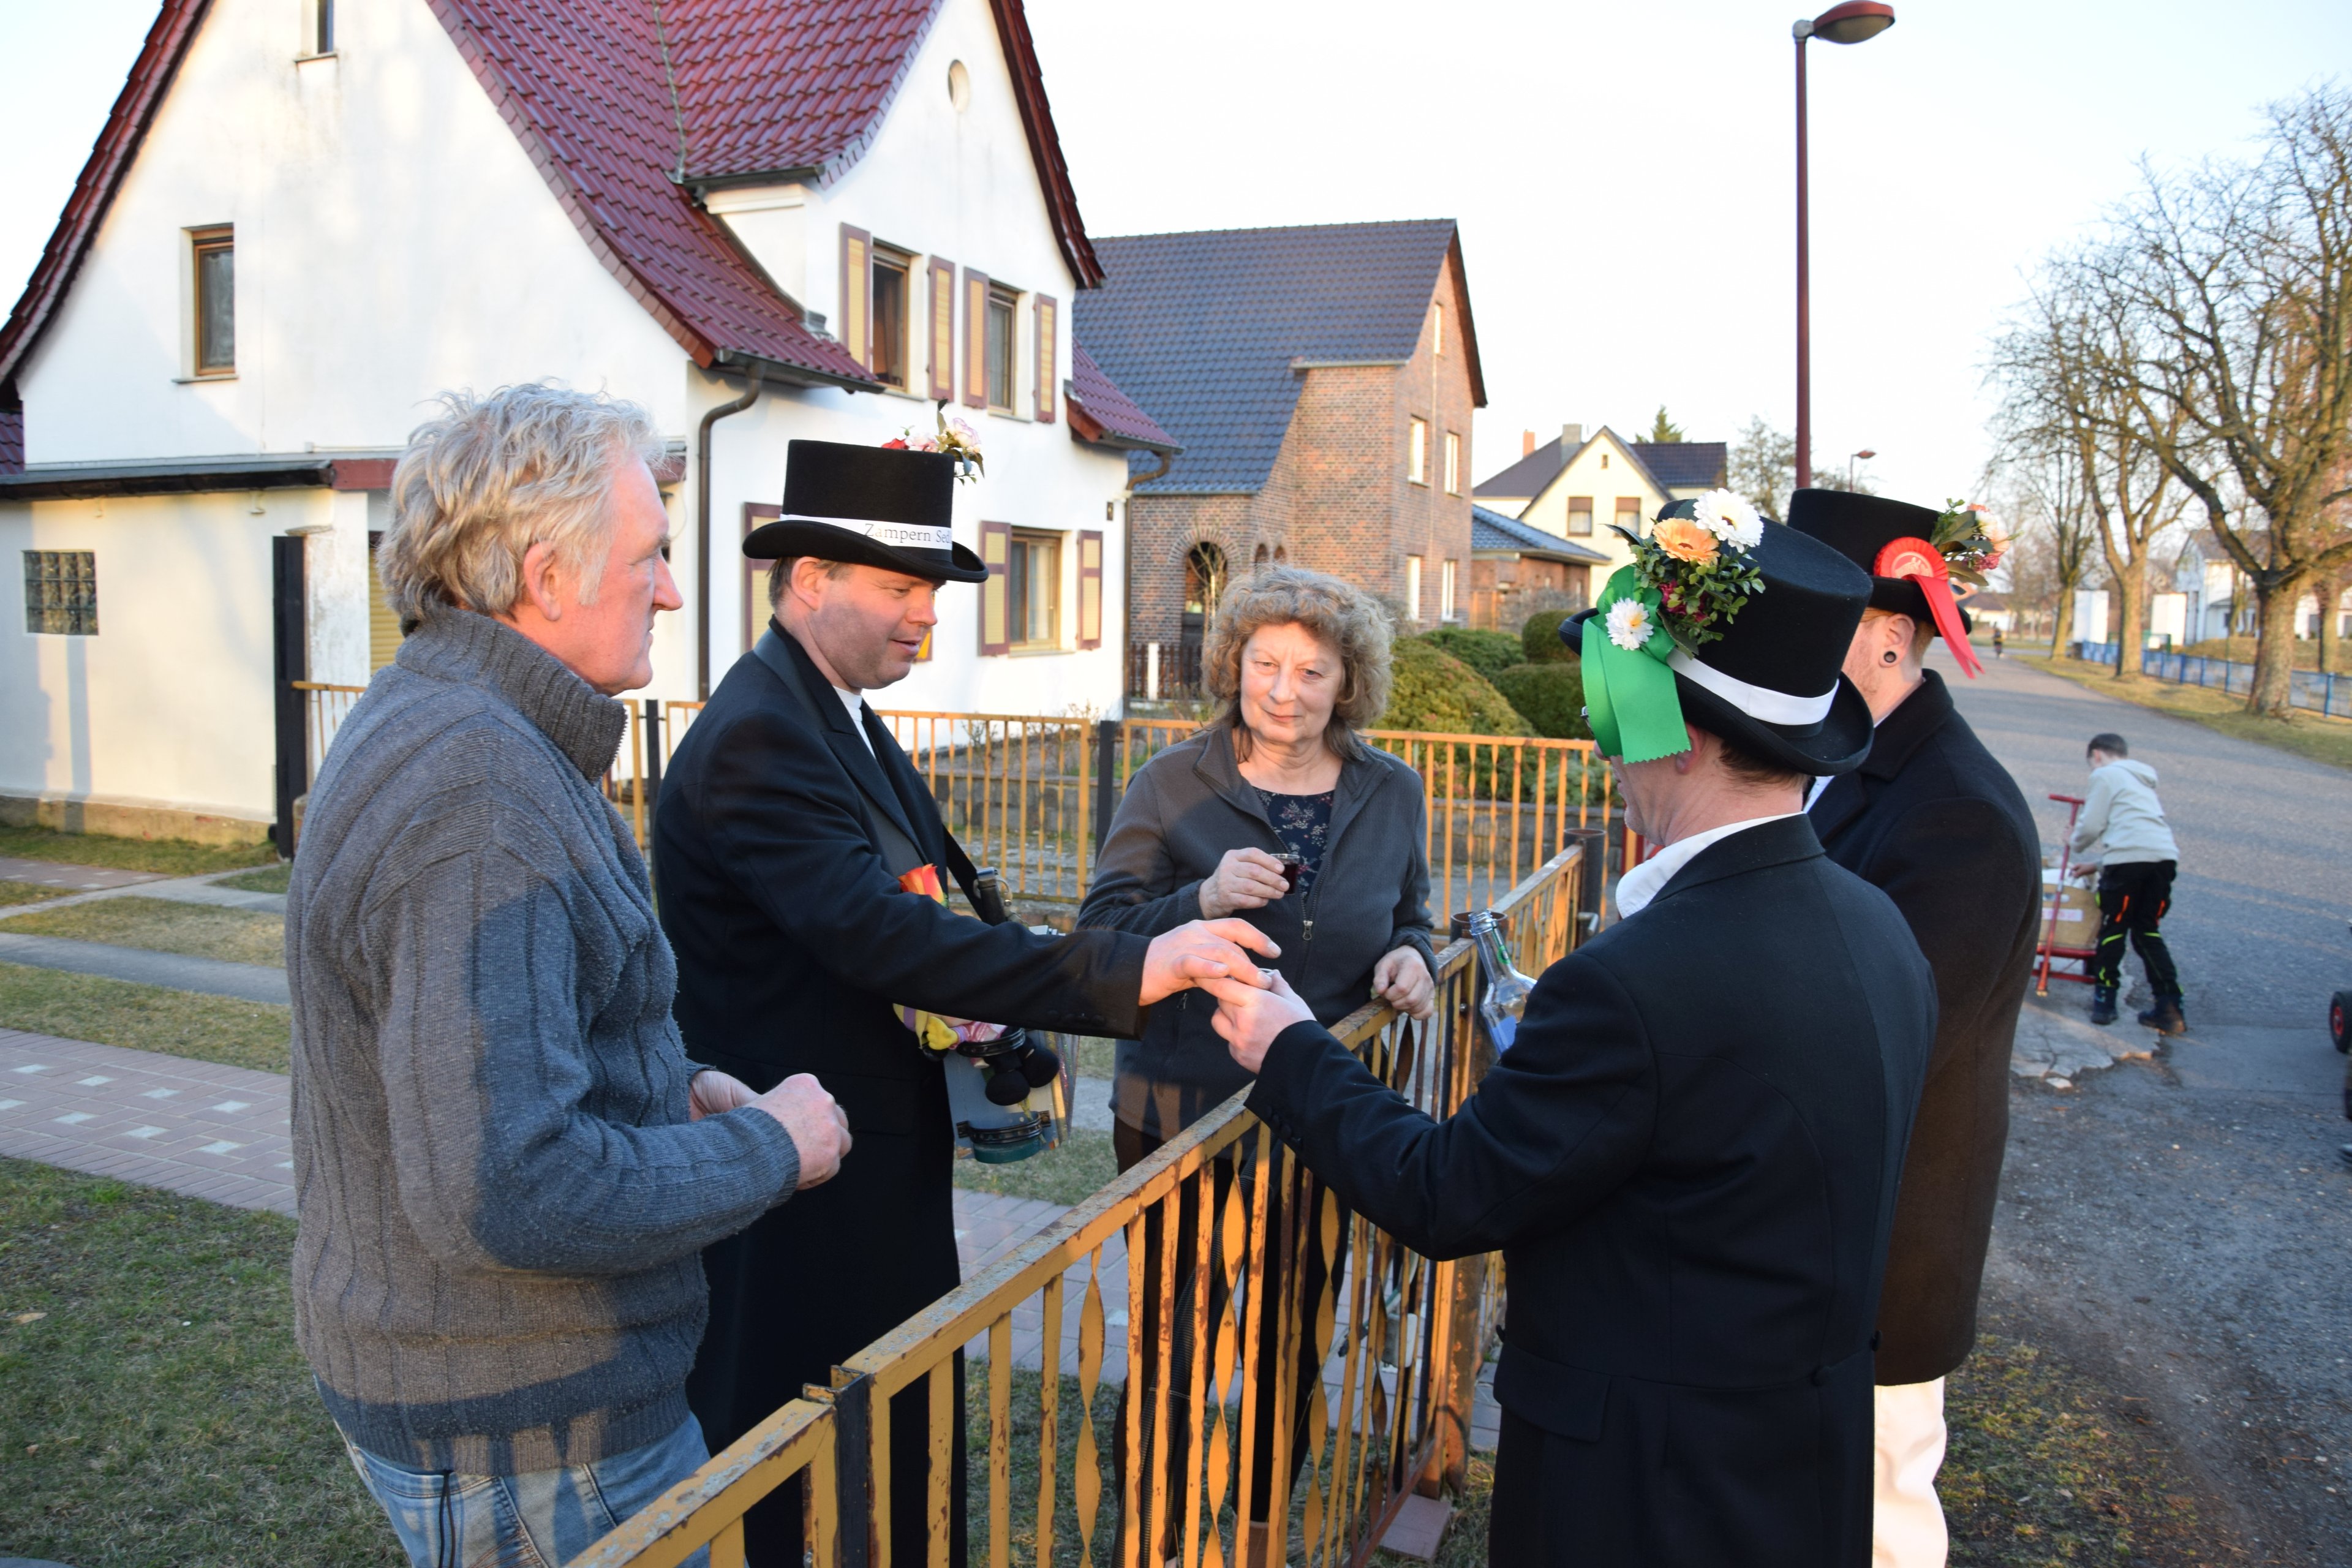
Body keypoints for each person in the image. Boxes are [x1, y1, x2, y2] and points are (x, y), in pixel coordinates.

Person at [1201, 505, 1939, 1567]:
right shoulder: (1876, 925)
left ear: (1676, 733)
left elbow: (1447, 1191)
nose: (1606, 748)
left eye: (1618, 713)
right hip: (1800, 1466)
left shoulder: (1637, 983)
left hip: (1645, 1490)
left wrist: (1290, 1046)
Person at [653, 438, 1275, 1566]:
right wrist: (1133, 966)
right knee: (800, 1467)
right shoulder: (759, 736)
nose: (926, 617)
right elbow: (886, 936)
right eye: (901, 588)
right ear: (809, 580)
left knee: (890, 1447)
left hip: (864, 1158)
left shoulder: (830, 710)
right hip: (796, 1186)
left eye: (932, 591)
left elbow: (934, 899)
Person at [286, 385, 854, 1568]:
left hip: (510, 1399)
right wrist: (768, 1149)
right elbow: (510, 1187)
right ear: (547, 577)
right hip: (534, 1427)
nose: (672, 591)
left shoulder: (467, 722)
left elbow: (488, 1057)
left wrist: (667, 1092)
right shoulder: (480, 790)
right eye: (649, 557)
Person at [1078, 565, 1436, 1562]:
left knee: (1293, 1336)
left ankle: (1258, 1526)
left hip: (1320, 1114)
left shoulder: (1392, 791)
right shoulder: (1170, 783)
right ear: (1233, 664)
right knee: (1176, 1347)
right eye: (1265, 664)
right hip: (1181, 1116)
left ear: (1348, 682)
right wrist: (1198, 900)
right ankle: (1154, 1536)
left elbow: (1410, 912)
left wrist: (1413, 954)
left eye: (1312, 672)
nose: (1284, 691)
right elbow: (1099, 936)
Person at [1790, 488, 2043, 1568]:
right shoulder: (1849, 760)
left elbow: (1895, 1042)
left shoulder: (1958, 812)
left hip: (1885, 1248)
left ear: (1889, 638)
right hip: (1813, 1229)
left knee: (1880, 1517)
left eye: (1812, 619)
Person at [2070, 731, 2187, 1033]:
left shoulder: (2104, 774)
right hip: (2163, 858)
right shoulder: (2141, 780)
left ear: (2097, 755)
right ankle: (2170, 1007)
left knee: (2115, 928)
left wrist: (2073, 841)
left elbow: (2091, 825)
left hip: (2127, 862)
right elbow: (2139, 834)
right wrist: (2097, 865)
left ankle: (2105, 1002)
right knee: (2147, 930)